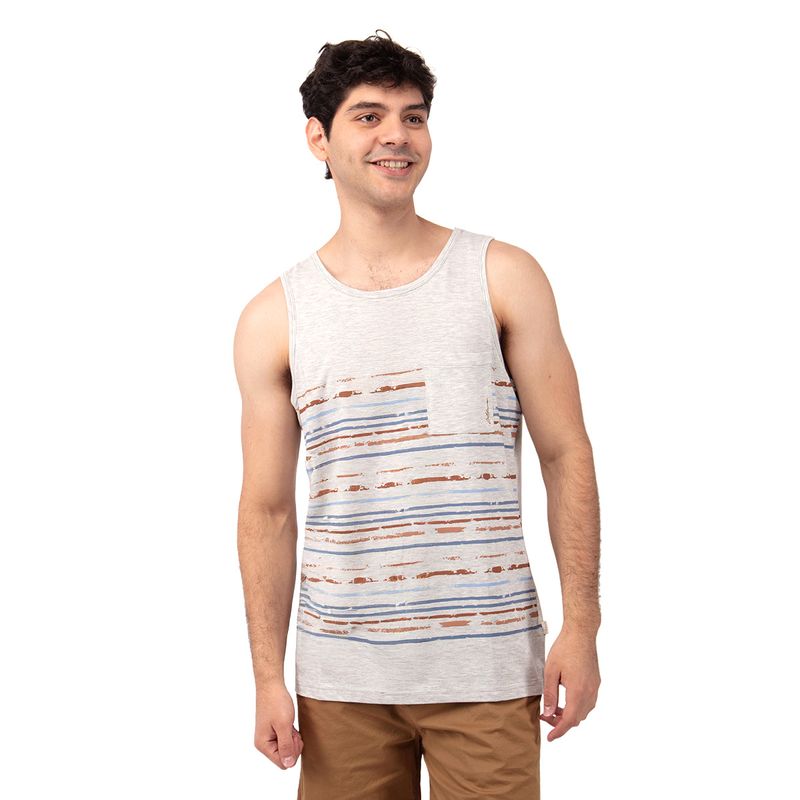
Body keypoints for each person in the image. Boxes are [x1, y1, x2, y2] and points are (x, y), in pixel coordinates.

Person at [233, 30, 601, 800]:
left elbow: (565, 454)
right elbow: (268, 510)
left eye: (413, 116)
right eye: (368, 116)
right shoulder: (274, 318)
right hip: (341, 681)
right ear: (318, 139)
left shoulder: (503, 276)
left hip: (487, 668)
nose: (397, 135)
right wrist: (268, 676)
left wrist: (583, 624)